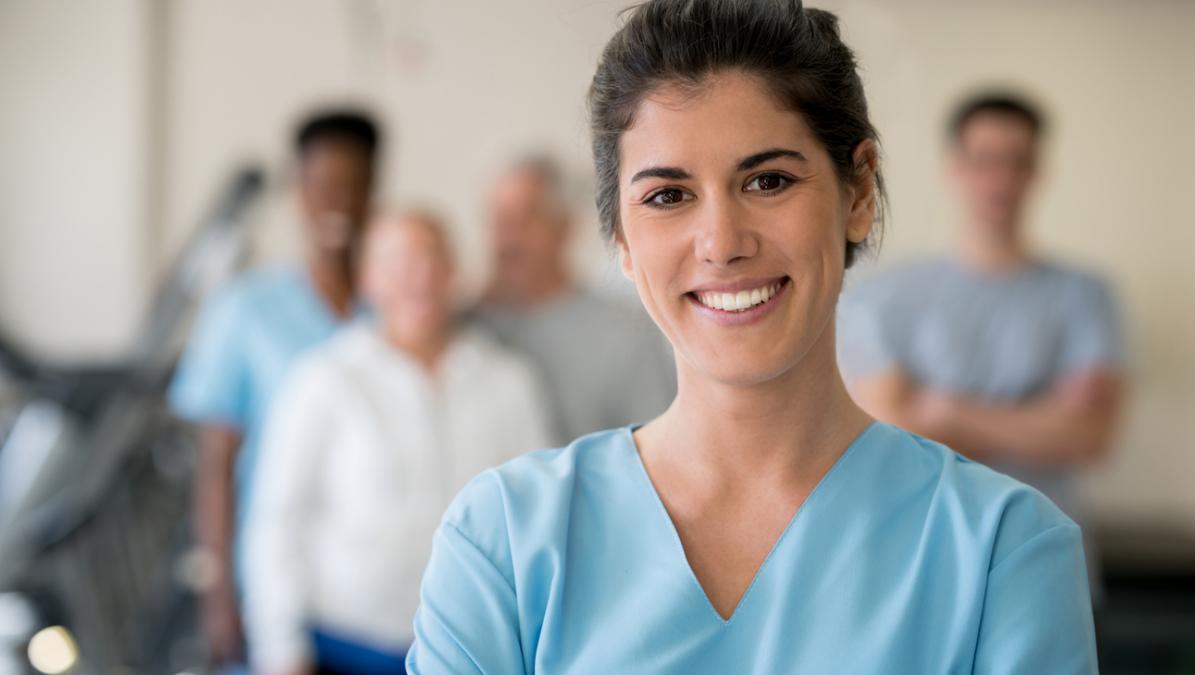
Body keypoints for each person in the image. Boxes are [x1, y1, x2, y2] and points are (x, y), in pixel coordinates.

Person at [406, 2, 1099, 673]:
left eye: (768, 180)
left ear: (857, 194)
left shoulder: (1003, 552)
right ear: (619, 235)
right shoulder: (504, 543)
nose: (722, 243)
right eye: (667, 196)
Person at [242, 211, 553, 675]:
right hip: (341, 648)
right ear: (368, 279)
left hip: (473, 651)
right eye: (399, 262)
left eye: (433, 258)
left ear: (455, 273)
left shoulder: (507, 380)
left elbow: (539, 513)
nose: (420, 277)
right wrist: (280, 650)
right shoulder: (324, 378)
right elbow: (277, 519)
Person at [838, 93, 1125, 592]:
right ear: (955, 168)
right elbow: (892, 430)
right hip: (920, 565)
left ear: (1037, 172)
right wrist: (1038, 420)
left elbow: (1088, 435)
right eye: (985, 159)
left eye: (1017, 161)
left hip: (1047, 565)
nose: (1002, 178)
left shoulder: (1085, 295)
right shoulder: (886, 297)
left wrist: (946, 410)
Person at [170, 110, 380, 666]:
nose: (335, 200)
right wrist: (218, 596)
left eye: (352, 183)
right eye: (320, 184)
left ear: (373, 192)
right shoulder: (245, 310)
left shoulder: (393, 312)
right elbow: (216, 463)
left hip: (369, 595)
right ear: (297, 190)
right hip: (269, 581)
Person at [472, 156, 675, 443]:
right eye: (499, 220)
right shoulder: (464, 327)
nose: (508, 239)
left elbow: (659, 446)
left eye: (525, 220)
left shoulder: (624, 333)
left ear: (564, 228)